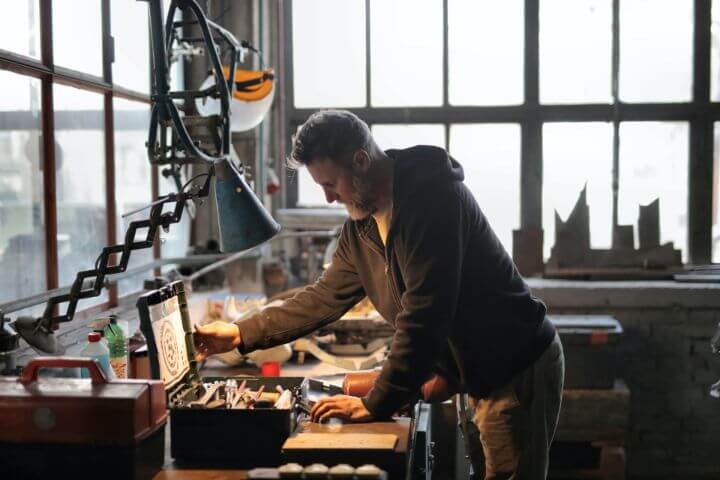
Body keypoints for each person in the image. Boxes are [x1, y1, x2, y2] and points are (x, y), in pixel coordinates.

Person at [194, 109, 564, 479]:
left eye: (331, 184)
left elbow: (425, 316)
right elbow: (324, 296)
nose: (328, 199)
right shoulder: (363, 226)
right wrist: (241, 333)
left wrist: (376, 403)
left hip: (514, 369)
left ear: (360, 160)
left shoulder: (433, 201)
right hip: (478, 372)